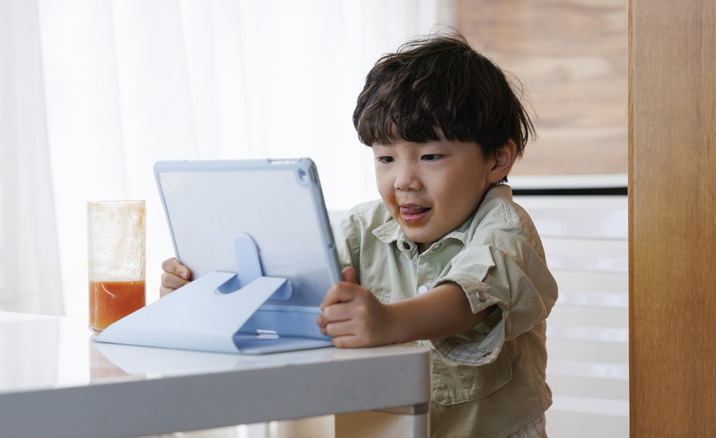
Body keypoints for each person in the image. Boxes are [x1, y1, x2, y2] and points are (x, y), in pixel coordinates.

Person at [160, 32, 557, 438]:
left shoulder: (505, 227)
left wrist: (388, 320)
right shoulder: (360, 228)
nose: (404, 180)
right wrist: (205, 292)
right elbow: (290, 284)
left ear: (498, 159)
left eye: (431, 156)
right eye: (386, 158)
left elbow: (468, 300)